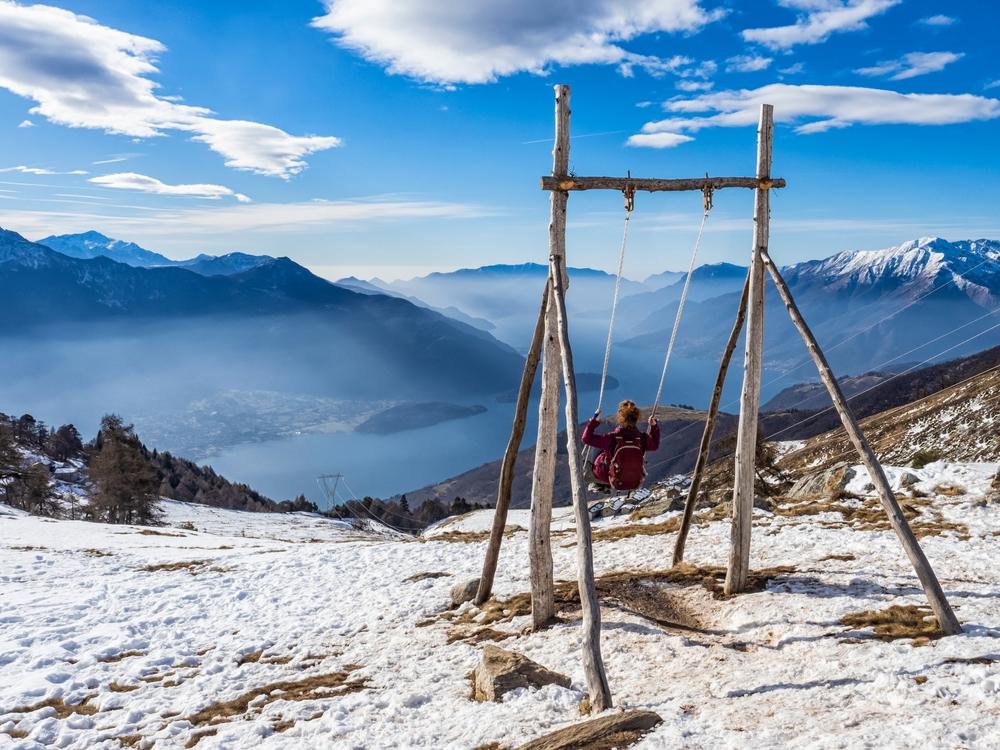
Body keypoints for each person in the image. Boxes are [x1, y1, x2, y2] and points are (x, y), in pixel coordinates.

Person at [582, 399, 660, 492]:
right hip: (634, 478)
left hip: (609, 476)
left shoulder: (612, 437)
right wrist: (654, 426)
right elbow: (654, 445)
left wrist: (594, 422)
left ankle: (599, 483)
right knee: (604, 447)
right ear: (636, 418)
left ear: (620, 417)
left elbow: (586, 438)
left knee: (597, 447)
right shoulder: (642, 438)